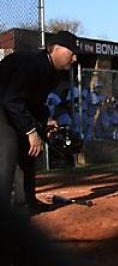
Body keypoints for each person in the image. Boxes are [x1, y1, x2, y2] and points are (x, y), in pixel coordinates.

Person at [0, 30, 78, 214]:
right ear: (56, 49)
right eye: (71, 52)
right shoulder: (34, 64)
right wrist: (31, 131)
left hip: (10, 105)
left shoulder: (53, 73)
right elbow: (12, 99)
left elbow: (33, 103)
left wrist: (45, 121)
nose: (75, 58)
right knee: (8, 148)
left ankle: (25, 204)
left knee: (28, 152)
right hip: (3, 104)